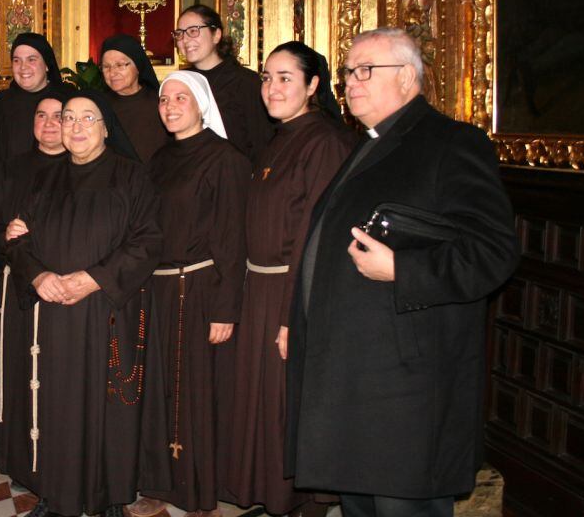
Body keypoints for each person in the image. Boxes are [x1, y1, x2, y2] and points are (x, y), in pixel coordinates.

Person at [286, 28, 519, 517]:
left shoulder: (452, 143)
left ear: (408, 77)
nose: (351, 82)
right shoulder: (367, 144)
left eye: (365, 70)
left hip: (407, 389)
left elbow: (493, 252)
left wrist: (401, 268)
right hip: (356, 381)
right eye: (348, 72)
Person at [4, 90, 163, 517]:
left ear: (107, 128)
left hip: (106, 311)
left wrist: (93, 279)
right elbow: (18, 239)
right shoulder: (44, 179)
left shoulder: (131, 176)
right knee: (56, 405)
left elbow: (147, 241)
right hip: (53, 311)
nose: (74, 126)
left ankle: (108, 497)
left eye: (86, 118)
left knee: (108, 405)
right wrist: (39, 276)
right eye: (68, 118)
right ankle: (54, 495)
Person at [224, 42, 356, 516]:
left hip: (293, 289)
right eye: (265, 77)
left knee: (288, 404)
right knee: (264, 403)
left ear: (313, 84)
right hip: (260, 287)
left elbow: (314, 236)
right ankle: (276, 499)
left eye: (284, 78)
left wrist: (292, 317)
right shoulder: (280, 137)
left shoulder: (324, 141)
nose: (271, 88)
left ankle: (303, 505)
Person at [134, 72, 251, 517]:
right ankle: (157, 481)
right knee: (158, 391)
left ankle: (196, 490)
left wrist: (225, 308)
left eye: (181, 97)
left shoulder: (225, 159)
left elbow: (231, 239)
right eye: (164, 98)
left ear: (202, 104)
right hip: (158, 288)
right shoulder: (159, 159)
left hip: (198, 288)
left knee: (192, 394)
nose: (170, 105)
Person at [0, 91, 69, 475]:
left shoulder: (83, 166)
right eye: (40, 116)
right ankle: (19, 461)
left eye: (57, 115)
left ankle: (58, 462)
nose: (48, 123)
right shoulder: (12, 168)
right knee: (17, 379)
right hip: (16, 295)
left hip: (63, 292)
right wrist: (3, 232)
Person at [174, 5, 272, 162]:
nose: (185, 40)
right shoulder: (180, 83)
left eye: (193, 31)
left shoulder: (246, 82)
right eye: (179, 34)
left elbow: (261, 141)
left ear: (216, 35)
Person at [0, 32, 73, 165]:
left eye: (31, 60)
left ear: (47, 65)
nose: (23, 67)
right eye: (17, 60)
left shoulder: (69, 99)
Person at [99, 34, 169, 163]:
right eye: (106, 66)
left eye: (120, 65)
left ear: (138, 66)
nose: (112, 72)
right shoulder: (98, 106)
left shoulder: (160, 103)